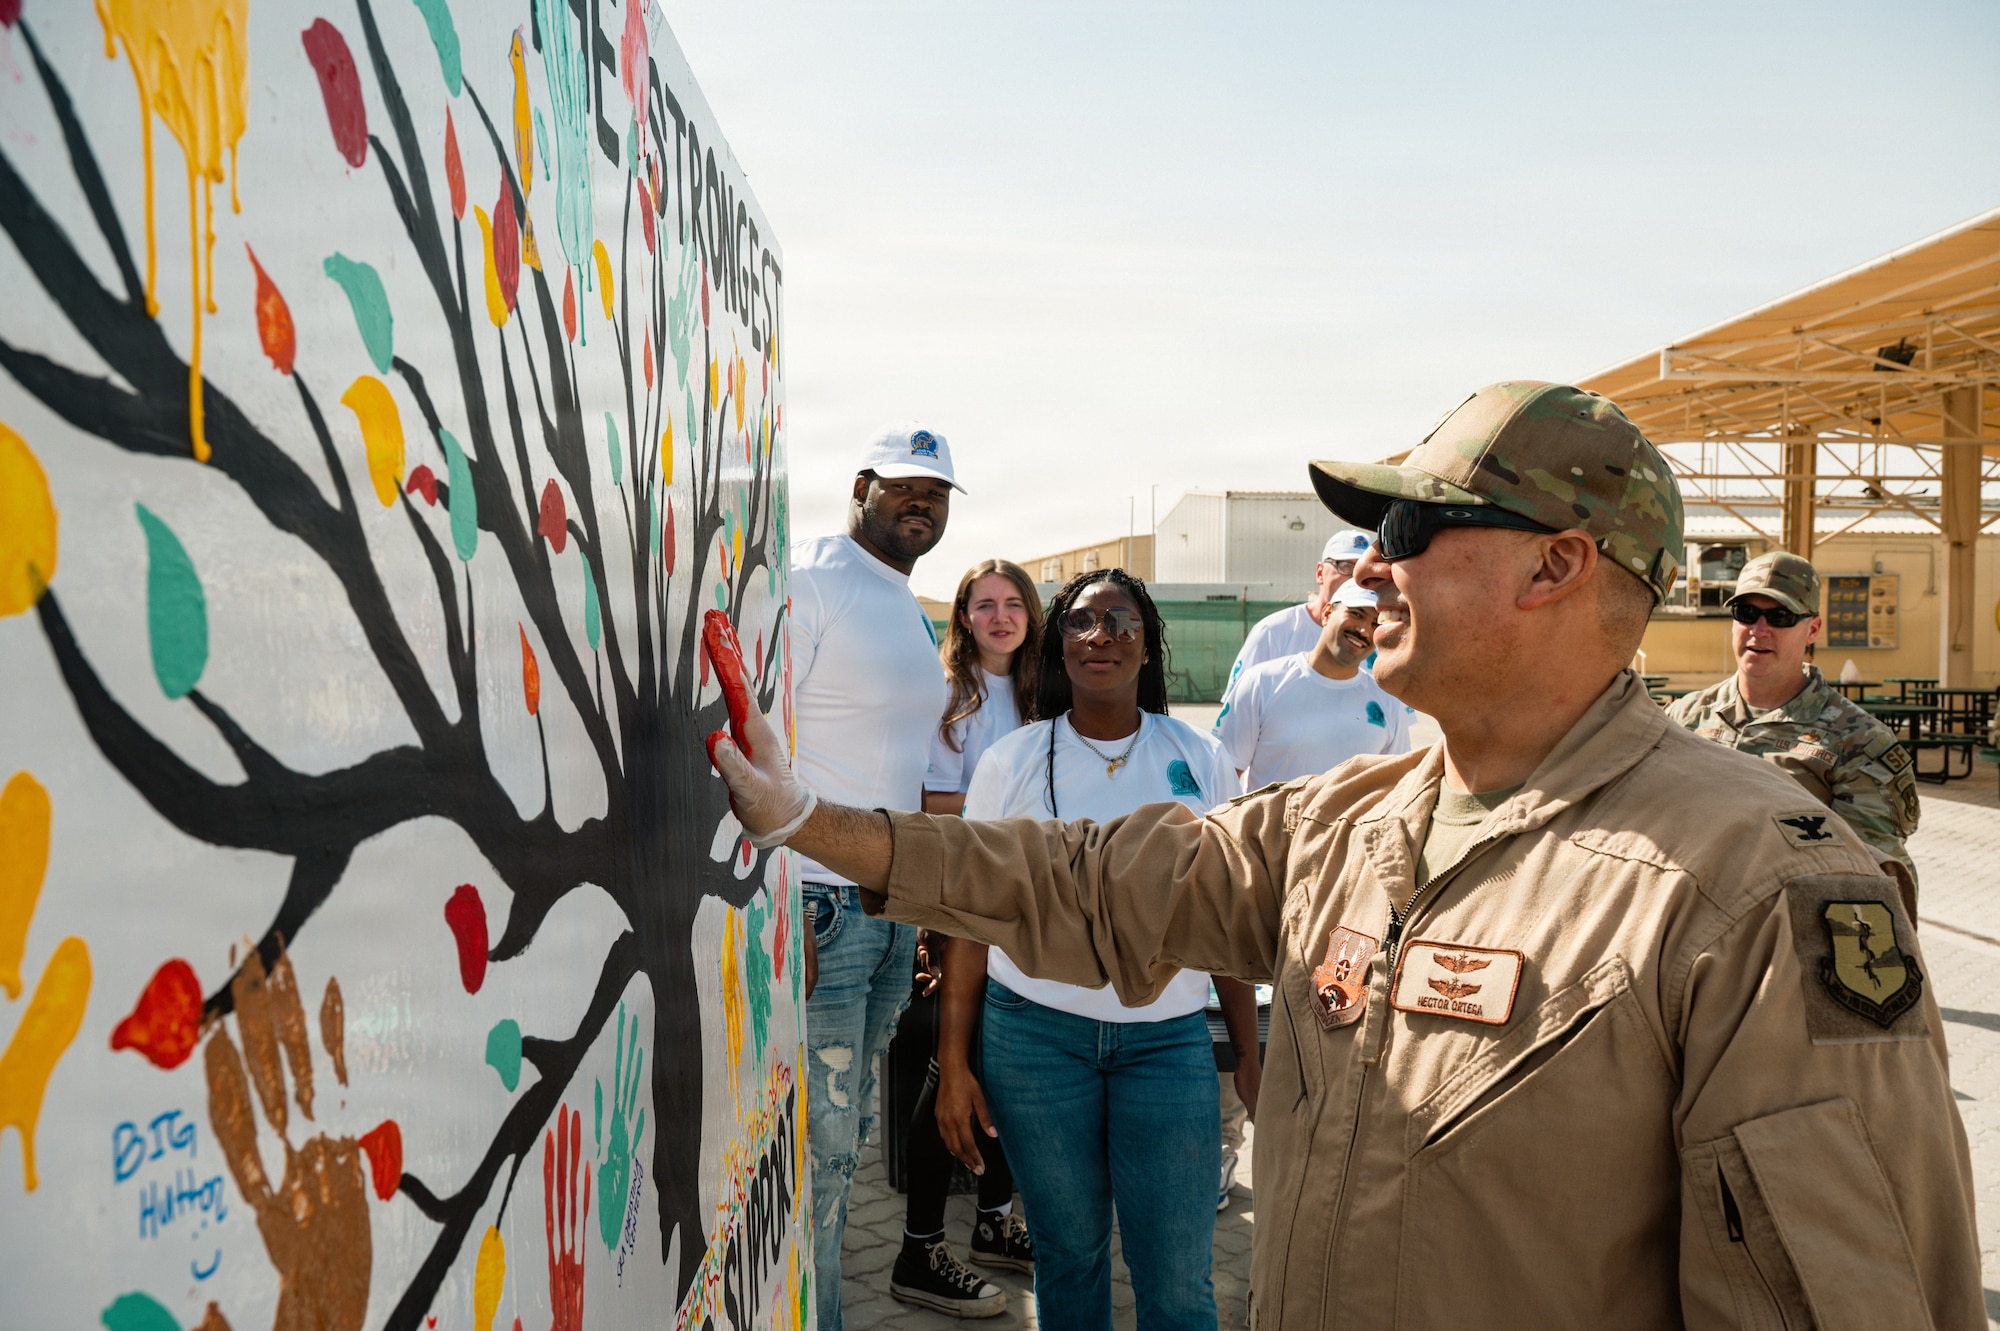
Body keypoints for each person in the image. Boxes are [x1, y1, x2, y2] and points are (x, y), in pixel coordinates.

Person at [710, 381, 1983, 1329]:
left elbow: (1833, 1293)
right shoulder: (1351, 820)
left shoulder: (1754, 886)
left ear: (1557, 563)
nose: (1371, 564)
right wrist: (807, 821)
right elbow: (1086, 880)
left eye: (1415, 526)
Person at [945, 568, 1258, 1331]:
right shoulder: (1011, 762)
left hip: (1168, 1044)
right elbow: (969, 919)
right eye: (1083, 622)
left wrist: (1249, 1051)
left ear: (1148, 645)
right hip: (1035, 1040)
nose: (1102, 636)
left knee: (1179, 1280)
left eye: (1122, 622)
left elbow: (1224, 913)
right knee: (1070, 1258)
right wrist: (954, 1062)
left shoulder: (1202, 757)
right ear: (1059, 645)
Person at [789, 422, 960, 1331]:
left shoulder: (903, 600)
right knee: (817, 1154)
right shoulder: (811, 579)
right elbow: (756, 744)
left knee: (845, 1145)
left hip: (888, 913)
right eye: (905, 487)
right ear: (862, 485)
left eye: (935, 494)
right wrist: (776, 909)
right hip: (818, 911)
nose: (921, 504)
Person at [890, 559, 1042, 1317]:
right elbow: (926, 797)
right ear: (964, 616)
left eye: (1014, 602)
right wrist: (1008, 806)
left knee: (1008, 1063)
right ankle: (918, 1248)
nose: (1001, 615)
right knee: (946, 1066)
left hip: (1031, 904)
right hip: (962, 901)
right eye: (985, 604)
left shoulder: (1050, 690)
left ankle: (991, 1223)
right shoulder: (950, 694)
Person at [1664, 551, 1921, 905]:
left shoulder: (1859, 740)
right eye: (1747, 613)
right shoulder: (1685, 717)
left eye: (1780, 616)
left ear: (1812, 628)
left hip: (1783, 932)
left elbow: (1873, 873)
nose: (1759, 630)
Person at [1214, 580, 1411, 791]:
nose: (1363, 630)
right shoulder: (1261, 682)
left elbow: (1397, 785)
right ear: (1327, 613)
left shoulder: (1388, 699)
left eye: (1375, 624)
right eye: (1356, 614)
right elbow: (1221, 776)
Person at [1225, 528, 1372, 690]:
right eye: (1345, 566)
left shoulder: (1376, 640)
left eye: (1363, 570)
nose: (1354, 578)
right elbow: (1239, 703)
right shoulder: (1273, 631)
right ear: (1320, 572)